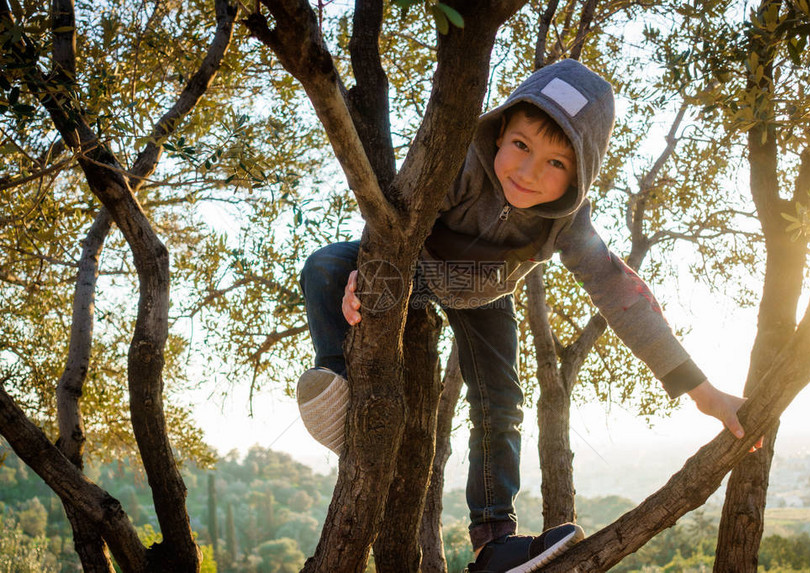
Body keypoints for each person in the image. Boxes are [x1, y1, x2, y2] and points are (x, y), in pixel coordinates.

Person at [297, 59, 750, 573]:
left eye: (557, 164)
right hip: (416, 270)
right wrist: (368, 272)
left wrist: (700, 389)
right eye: (521, 146)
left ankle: (494, 541)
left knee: (500, 398)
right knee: (326, 265)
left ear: (579, 178)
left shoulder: (568, 226)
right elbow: (391, 226)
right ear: (499, 132)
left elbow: (622, 295)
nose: (530, 173)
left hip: (486, 294)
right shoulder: (461, 162)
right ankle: (340, 386)